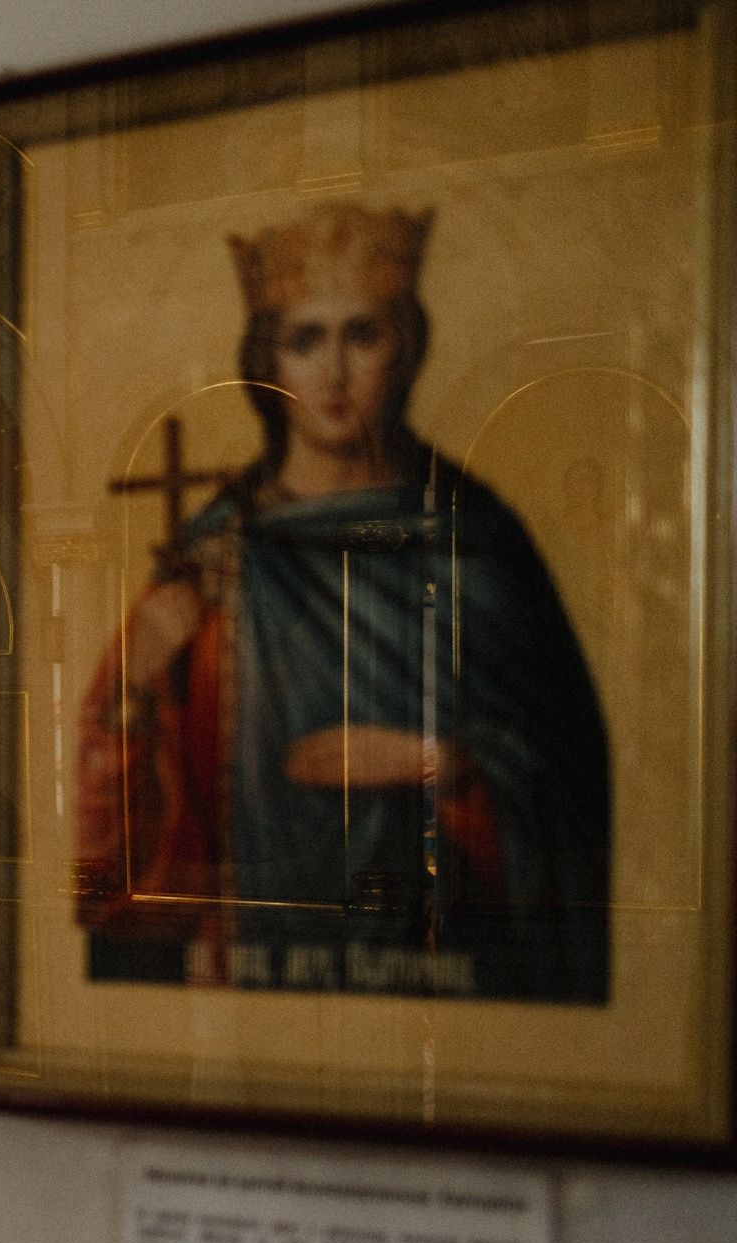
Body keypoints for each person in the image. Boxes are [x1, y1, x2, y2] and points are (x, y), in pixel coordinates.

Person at [76, 202, 609, 1002]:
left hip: (438, 986)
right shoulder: (211, 553)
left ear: (407, 346)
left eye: (362, 334)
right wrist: (136, 686)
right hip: (247, 990)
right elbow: (114, 858)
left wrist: (435, 762)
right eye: (305, 339)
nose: (333, 373)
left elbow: (571, 790)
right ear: (268, 358)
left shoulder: (477, 543)